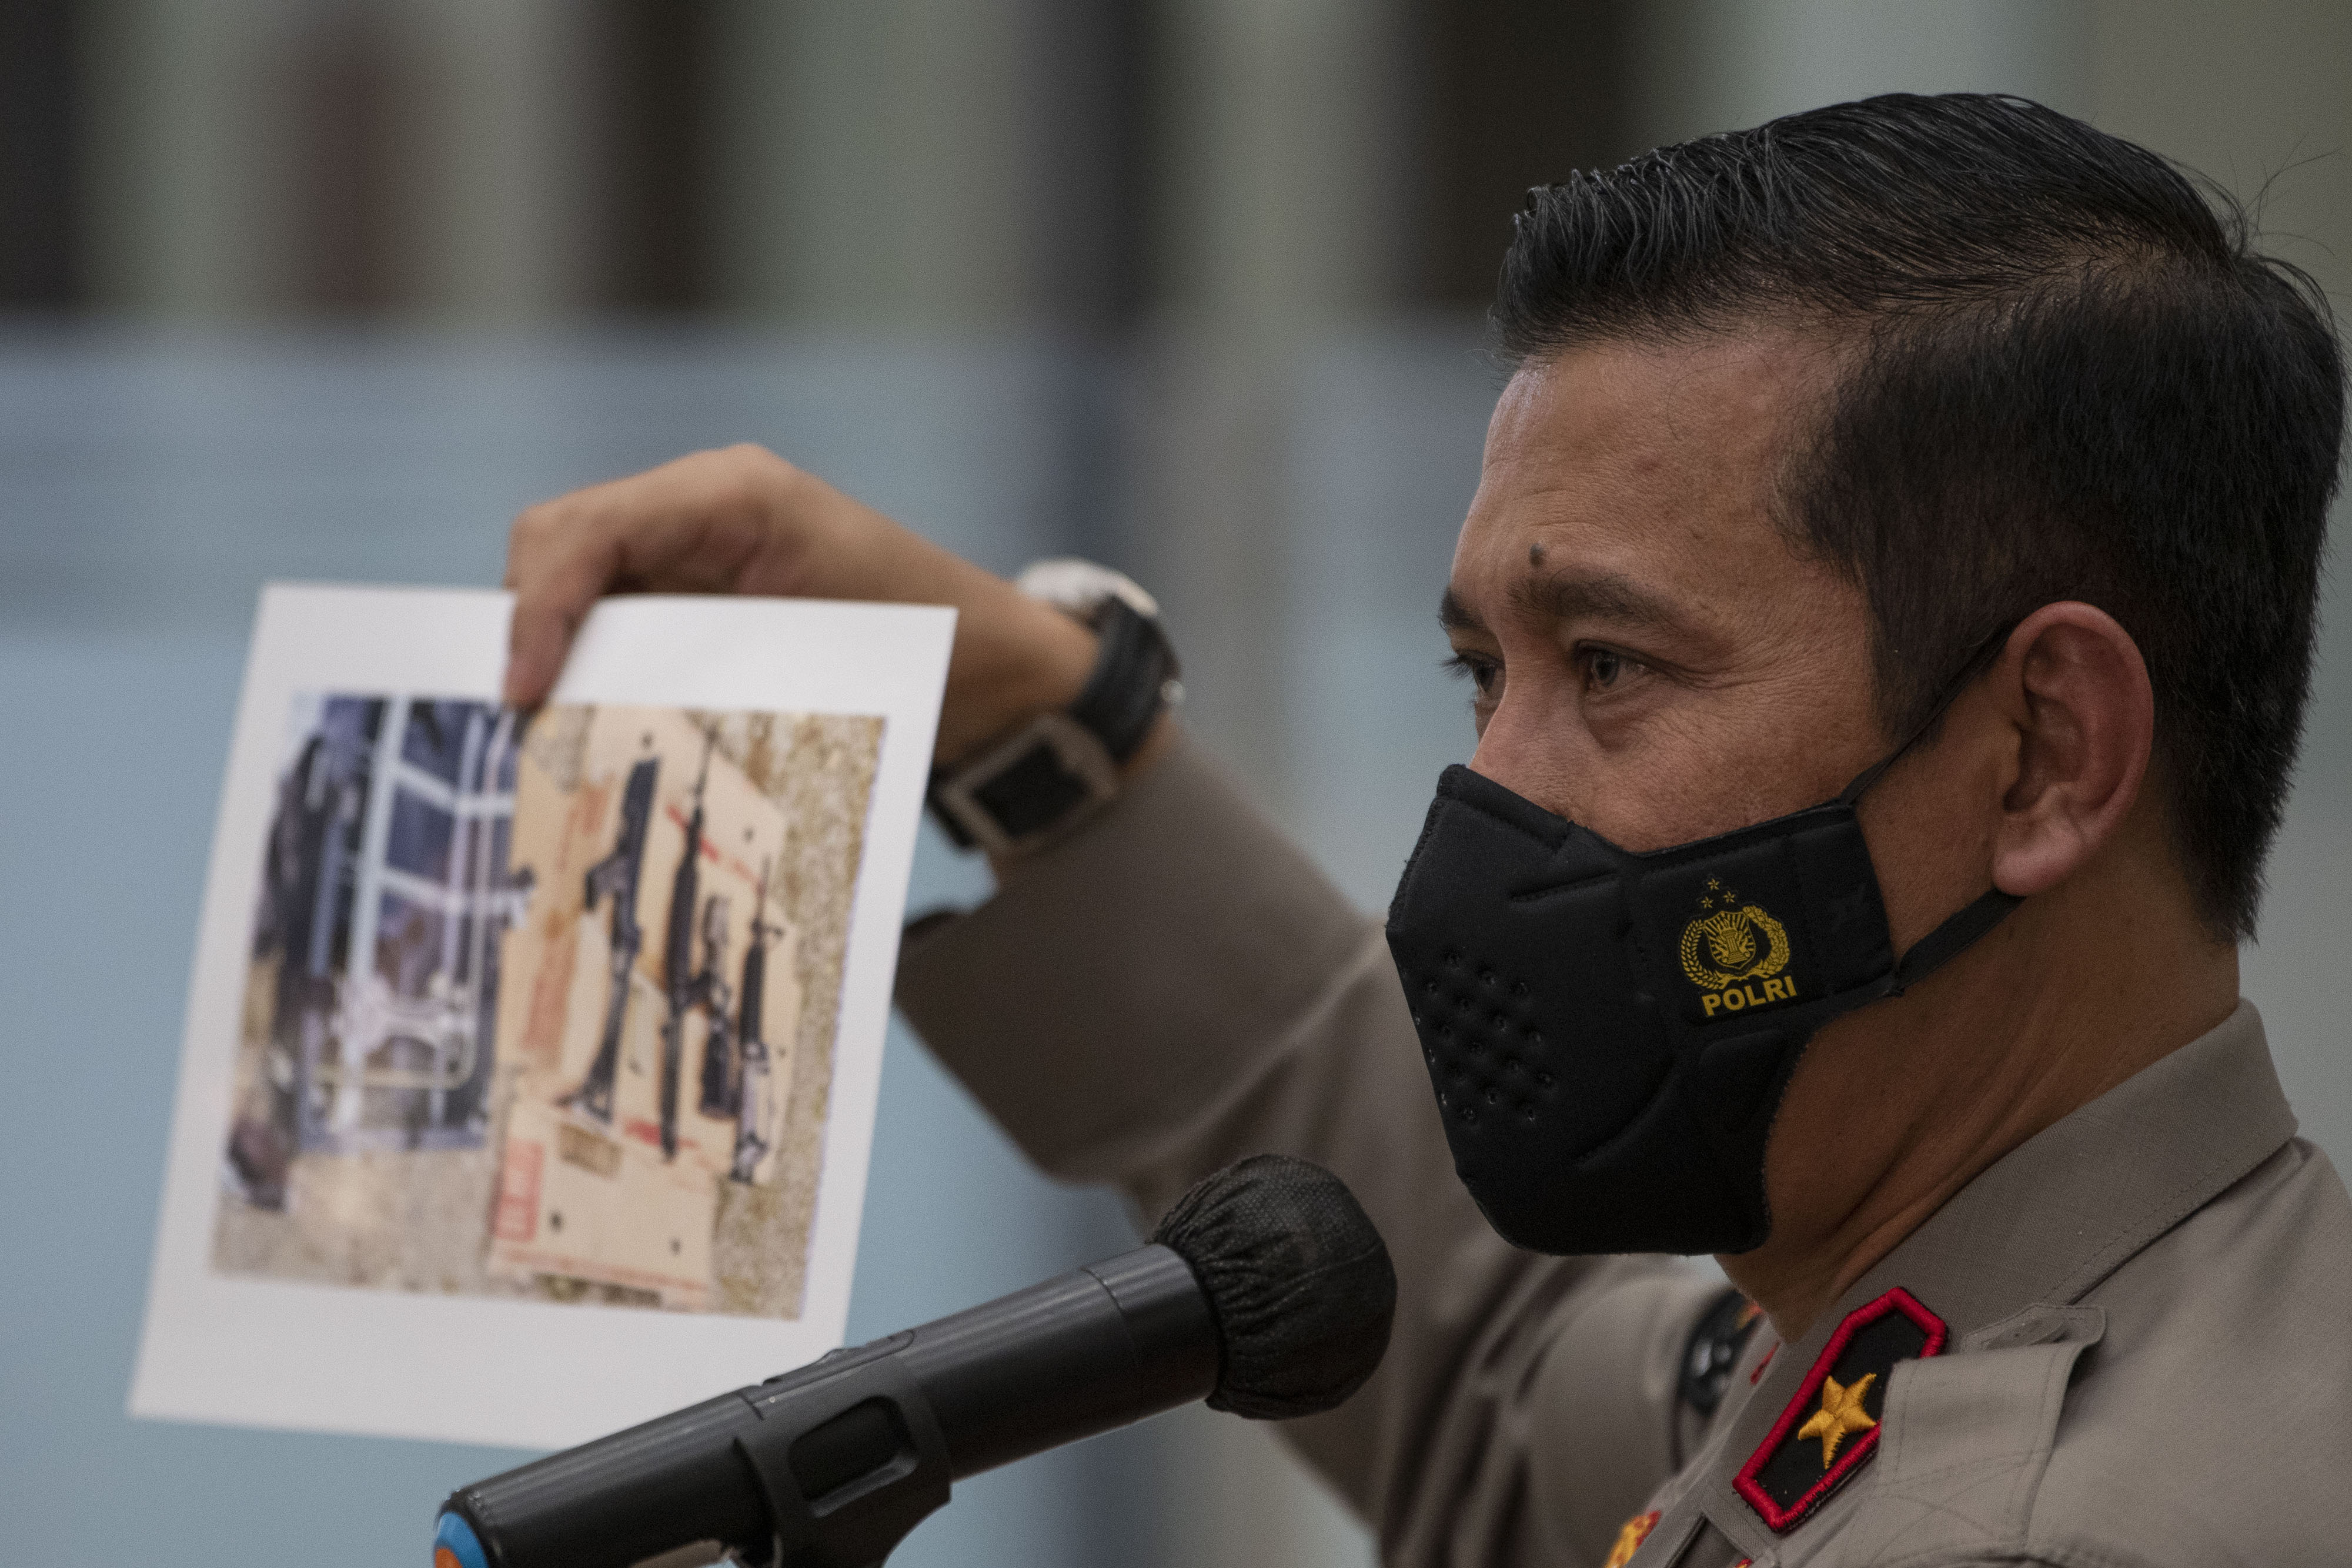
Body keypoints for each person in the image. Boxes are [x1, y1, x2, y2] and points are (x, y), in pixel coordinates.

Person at [502, 95, 2351, 1567]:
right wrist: (1036, 722)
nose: (1493, 798)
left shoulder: (2044, 1525)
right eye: (1483, 674)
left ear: (2043, 756)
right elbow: (1492, 1381)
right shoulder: (1969, 1325)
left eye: (1611, 665)